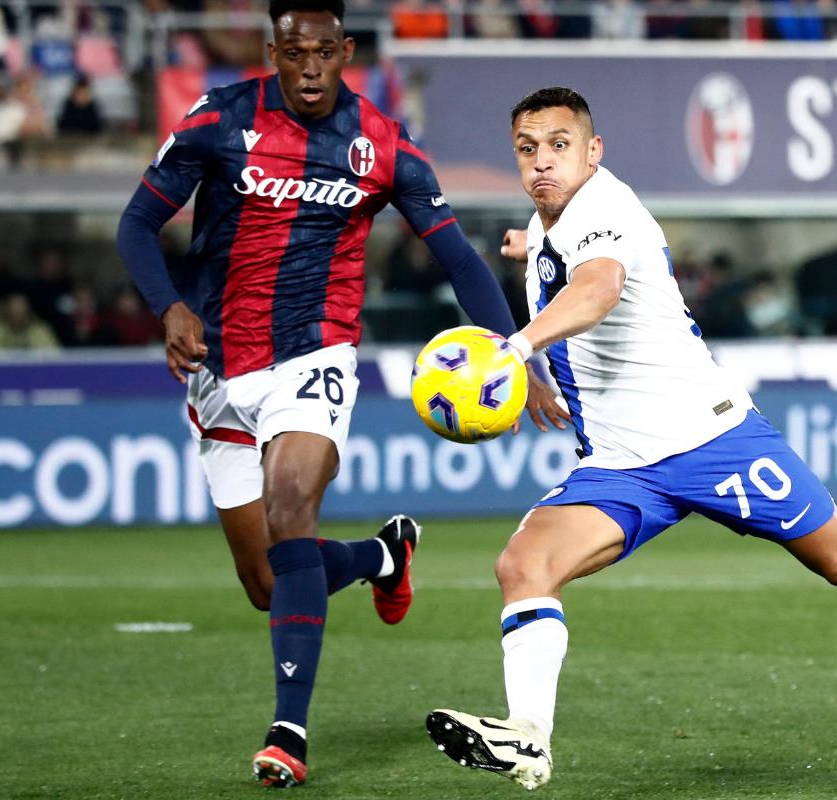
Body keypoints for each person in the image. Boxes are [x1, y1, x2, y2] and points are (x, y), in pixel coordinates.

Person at [426, 87, 837, 791]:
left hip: (713, 440)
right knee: (522, 567)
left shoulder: (606, 209)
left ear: (593, 152)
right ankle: (529, 736)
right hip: (624, 466)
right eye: (528, 149)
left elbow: (596, 289)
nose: (542, 163)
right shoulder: (545, 226)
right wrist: (530, 330)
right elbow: (550, 262)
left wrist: (515, 347)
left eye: (560, 146)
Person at [116, 1, 566, 788]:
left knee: (292, 508)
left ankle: (288, 732)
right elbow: (135, 225)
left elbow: (458, 259)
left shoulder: (382, 145)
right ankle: (383, 555)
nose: (312, 69)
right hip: (220, 366)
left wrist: (516, 351)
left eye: (326, 53)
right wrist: (171, 308)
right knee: (266, 582)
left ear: (346, 51)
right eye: (297, 54)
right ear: (275, 53)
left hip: (313, 353)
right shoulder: (217, 122)